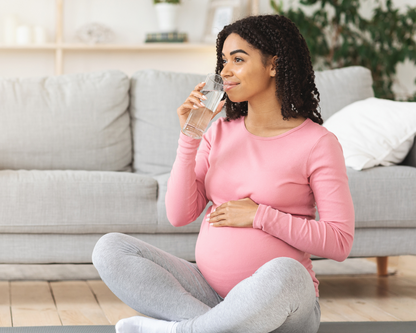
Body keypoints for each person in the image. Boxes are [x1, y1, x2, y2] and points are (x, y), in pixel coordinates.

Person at [91, 14, 355, 333]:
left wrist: (260, 216)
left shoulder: (317, 143)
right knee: (111, 248)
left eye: (238, 59)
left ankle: (182, 330)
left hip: (282, 304)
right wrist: (191, 135)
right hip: (210, 295)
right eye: (223, 61)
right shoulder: (218, 133)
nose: (225, 72)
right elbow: (179, 215)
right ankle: (214, 326)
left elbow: (339, 243)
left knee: (285, 272)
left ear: (274, 64)